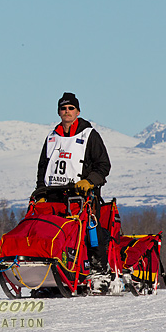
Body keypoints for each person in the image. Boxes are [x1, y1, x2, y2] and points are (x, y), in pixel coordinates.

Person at [36, 92, 112, 277]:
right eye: (63, 108)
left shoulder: (89, 135)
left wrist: (89, 181)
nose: (67, 111)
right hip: (53, 195)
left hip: (81, 195)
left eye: (71, 108)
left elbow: (103, 165)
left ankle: (99, 270)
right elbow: (42, 168)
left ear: (78, 111)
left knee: (90, 231)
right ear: (58, 112)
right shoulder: (52, 137)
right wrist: (40, 193)